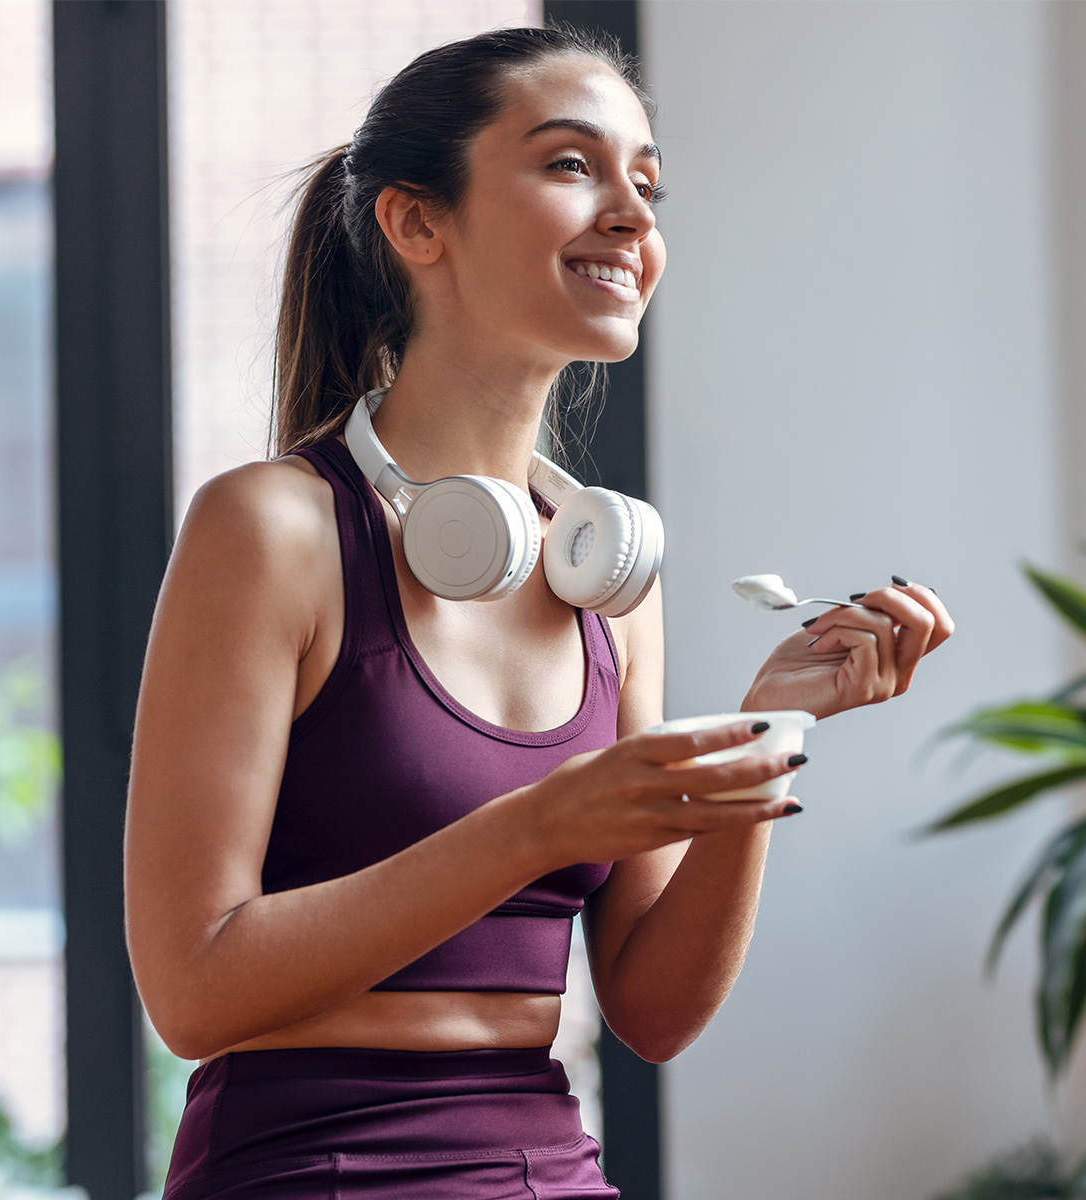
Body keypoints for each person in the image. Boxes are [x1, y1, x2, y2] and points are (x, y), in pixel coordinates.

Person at [124, 25, 954, 1200]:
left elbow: (653, 1011)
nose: (632, 215)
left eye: (647, 184)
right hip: (310, 1168)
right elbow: (193, 992)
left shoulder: (609, 578)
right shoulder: (273, 530)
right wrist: (536, 826)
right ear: (417, 223)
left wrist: (773, 731)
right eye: (572, 166)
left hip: (548, 1168)